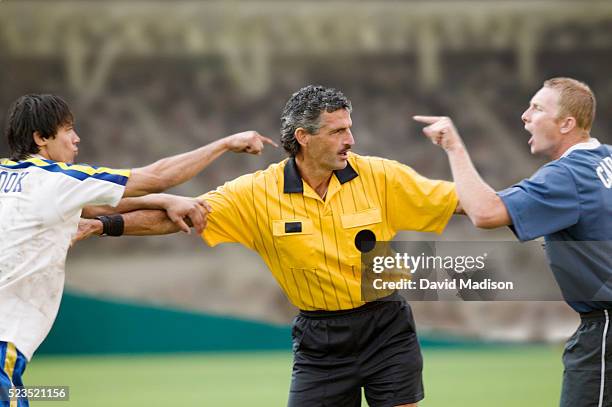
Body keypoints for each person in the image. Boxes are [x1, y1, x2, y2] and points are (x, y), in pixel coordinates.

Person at [81, 85, 461, 407]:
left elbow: (461, 202)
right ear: (303, 137)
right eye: (338, 131)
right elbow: (181, 216)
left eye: (350, 128)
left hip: (386, 327)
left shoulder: (381, 175)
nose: (351, 140)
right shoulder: (257, 193)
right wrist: (103, 225)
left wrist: (517, 202)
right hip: (320, 337)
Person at [0, 93, 275, 407]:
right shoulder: (57, 179)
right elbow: (157, 176)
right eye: (68, 130)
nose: (77, 139)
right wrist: (225, 144)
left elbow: (91, 206)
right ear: (40, 137)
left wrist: (163, 202)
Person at [414, 77, 611, 407]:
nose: (525, 115)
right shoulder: (605, 159)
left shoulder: (567, 175)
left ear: (567, 123)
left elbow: (485, 212)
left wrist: (453, 146)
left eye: (537, 108)